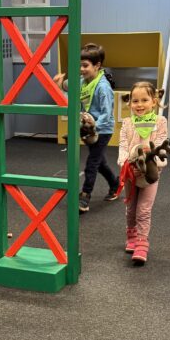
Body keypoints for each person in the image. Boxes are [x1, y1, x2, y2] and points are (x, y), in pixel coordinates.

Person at [54, 42, 118, 213]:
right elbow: (67, 85)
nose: (81, 69)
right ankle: (115, 184)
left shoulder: (103, 87)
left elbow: (107, 114)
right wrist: (59, 83)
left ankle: (85, 196)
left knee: (92, 163)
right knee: (99, 162)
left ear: (97, 65)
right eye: (79, 65)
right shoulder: (83, 81)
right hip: (88, 127)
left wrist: (94, 126)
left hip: (102, 129)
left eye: (85, 65)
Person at [117, 81, 169, 266]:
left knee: (144, 210)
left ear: (153, 101)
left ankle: (142, 243)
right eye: (135, 101)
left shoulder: (160, 122)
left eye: (144, 100)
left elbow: (162, 146)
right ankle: (131, 235)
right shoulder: (127, 123)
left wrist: (156, 162)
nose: (139, 105)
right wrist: (125, 162)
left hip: (149, 174)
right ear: (130, 103)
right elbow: (123, 145)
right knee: (131, 208)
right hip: (131, 172)